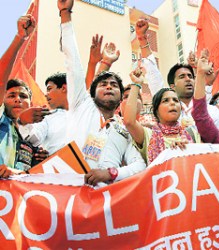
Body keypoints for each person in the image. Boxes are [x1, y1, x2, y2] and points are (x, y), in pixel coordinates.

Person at [59, 0, 146, 185]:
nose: (108, 87)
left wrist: (112, 173)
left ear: (121, 96)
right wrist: (65, 14)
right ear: (92, 91)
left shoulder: (124, 129)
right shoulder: (81, 105)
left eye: (114, 85)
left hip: (105, 202)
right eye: (103, 84)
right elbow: (72, 62)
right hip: (68, 193)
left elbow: (139, 165)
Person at [0, 14, 48, 177]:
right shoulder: (2, 122)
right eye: (11, 95)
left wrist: (43, 162)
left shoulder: (34, 138)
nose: (17, 99)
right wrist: (20, 38)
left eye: (23, 96)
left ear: (31, 102)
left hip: (14, 201)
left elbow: (32, 180)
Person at [124, 68, 195, 165]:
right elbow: (129, 121)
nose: (172, 103)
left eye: (175, 100)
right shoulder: (148, 135)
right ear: (156, 110)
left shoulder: (193, 134)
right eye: (166, 101)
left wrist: (189, 149)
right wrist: (136, 84)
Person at [167, 60, 219, 136]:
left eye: (190, 76)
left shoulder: (211, 111)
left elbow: (217, 142)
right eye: (182, 77)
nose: (188, 79)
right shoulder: (167, 113)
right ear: (173, 86)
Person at [18, 73, 68, 155]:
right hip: (57, 165)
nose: (46, 94)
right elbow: (34, 139)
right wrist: (24, 122)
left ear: (63, 88)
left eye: (49, 89)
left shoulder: (89, 111)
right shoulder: (47, 117)